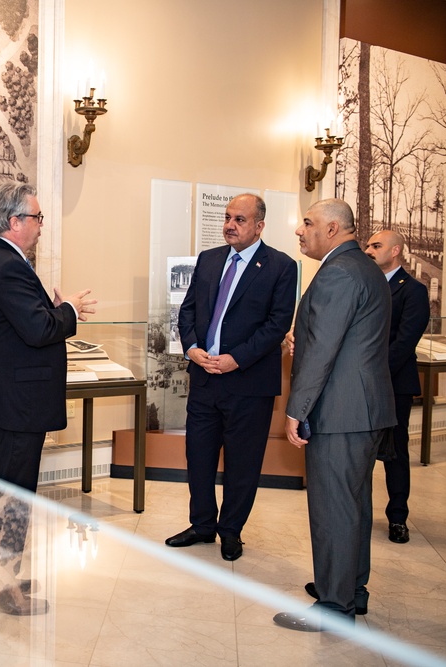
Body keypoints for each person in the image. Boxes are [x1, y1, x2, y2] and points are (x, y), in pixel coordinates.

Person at [273, 198, 395, 632]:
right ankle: (349, 589)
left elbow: (324, 351)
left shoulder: (338, 272)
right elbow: (342, 340)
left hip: (341, 411)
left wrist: (296, 409)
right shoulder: (364, 268)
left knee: (333, 508)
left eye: (307, 223)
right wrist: (299, 341)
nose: (300, 231)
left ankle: (335, 605)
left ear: (332, 229)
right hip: (363, 408)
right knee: (354, 505)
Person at [165, 193, 296, 561]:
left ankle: (231, 530)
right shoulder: (208, 260)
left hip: (248, 383)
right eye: (227, 217)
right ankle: (203, 524)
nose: (230, 225)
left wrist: (236, 359)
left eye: (240, 219)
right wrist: (191, 348)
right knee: (199, 457)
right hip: (205, 378)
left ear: (259, 226)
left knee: (242, 462)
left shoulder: (281, 267)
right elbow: (187, 311)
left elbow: (276, 326)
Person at [0, 183, 96, 492]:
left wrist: (51, 311)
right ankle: (7, 544)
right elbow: (38, 330)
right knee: (14, 501)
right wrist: (69, 308)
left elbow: (22, 322)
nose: (41, 226)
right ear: (15, 222)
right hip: (16, 406)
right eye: (37, 217)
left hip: (10, 403)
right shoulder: (8, 266)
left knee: (6, 496)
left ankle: (4, 543)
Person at [364, 229, 430, 543]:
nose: (368, 250)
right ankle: (357, 514)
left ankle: (398, 517)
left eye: (375, 246)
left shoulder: (413, 290)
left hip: (393, 383)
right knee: (359, 450)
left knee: (394, 452)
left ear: (395, 251)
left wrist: (373, 372)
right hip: (360, 382)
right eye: (366, 245)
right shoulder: (364, 286)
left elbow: (405, 342)